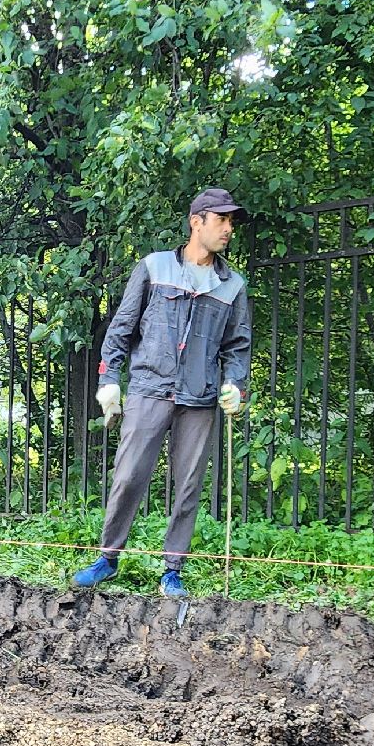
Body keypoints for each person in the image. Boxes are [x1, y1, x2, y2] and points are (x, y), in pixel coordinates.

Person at [71, 187, 254, 598]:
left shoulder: (232, 285)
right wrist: (109, 379)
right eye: (220, 220)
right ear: (197, 221)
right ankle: (107, 559)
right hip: (150, 389)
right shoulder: (154, 267)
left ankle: (173, 570)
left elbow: (237, 346)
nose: (228, 229)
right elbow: (122, 326)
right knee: (129, 475)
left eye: (231, 221)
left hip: (200, 399)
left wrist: (235, 386)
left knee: (189, 486)